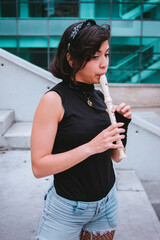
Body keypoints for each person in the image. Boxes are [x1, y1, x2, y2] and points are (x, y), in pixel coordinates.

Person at [31, 19, 132, 240]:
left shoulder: (99, 98)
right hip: (68, 209)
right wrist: (91, 147)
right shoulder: (53, 100)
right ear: (72, 59)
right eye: (95, 56)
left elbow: (116, 157)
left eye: (106, 54)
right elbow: (39, 167)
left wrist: (122, 124)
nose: (104, 64)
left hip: (106, 203)